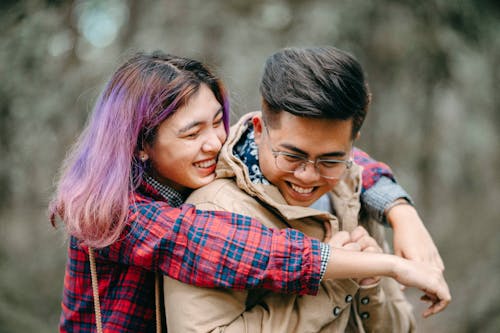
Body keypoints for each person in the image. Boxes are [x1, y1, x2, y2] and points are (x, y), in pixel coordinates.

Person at [49, 51, 448, 333]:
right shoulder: (115, 213)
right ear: (140, 144)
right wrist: (382, 266)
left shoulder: (205, 162)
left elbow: (340, 157)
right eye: (192, 133)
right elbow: (235, 248)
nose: (215, 142)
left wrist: (399, 210)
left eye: (217, 121)